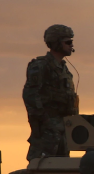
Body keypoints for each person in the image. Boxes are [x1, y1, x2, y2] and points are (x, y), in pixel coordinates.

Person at [23, 25, 79, 160]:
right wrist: (45, 120)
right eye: (68, 42)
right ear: (56, 43)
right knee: (41, 165)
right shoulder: (41, 66)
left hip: (63, 127)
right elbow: (30, 95)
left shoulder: (64, 69)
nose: (71, 45)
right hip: (47, 130)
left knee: (61, 166)